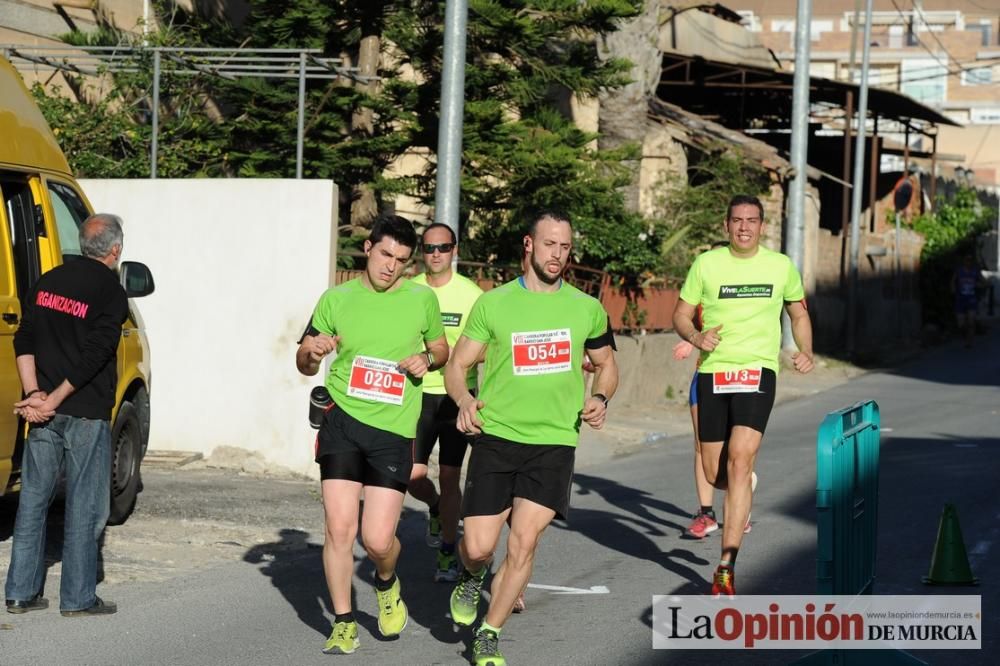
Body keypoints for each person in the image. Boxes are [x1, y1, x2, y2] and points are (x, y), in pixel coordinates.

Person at [444, 210, 618, 666]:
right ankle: (471, 574)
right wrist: (464, 400)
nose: (558, 255)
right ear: (528, 245)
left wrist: (601, 396)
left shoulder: (586, 308)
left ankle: (490, 633)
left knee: (524, 541)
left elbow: (607, 363)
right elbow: (457, 366)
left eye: (564, 247)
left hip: (555, 442)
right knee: (480, 545)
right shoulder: (493, 304)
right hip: (497, 436)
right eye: (549, 245)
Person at [296, 214, 448, 655]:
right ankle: (344, 622)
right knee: (339, 529)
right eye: (385, 255)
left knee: (378, 540)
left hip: (394, 430)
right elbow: (304, 361)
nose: (391, 267)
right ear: (368, 248)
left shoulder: (421, 301)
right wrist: (311, 352)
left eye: (401, 260)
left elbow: (441, 349)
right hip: (342, 421)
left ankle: (386, 580)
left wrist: (427, 359)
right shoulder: (336, 299)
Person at [671, 195, 814, 598]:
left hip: (756, 372)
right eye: (737, 221)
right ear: (726, 225)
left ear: (762, 226)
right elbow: (681, 314)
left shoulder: (780, 266)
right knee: (717, 472)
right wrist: (696, 336)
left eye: (752, 220)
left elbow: (798, 313)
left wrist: (806, 351)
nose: (744, 227)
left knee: (739, 459)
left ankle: (725, 566)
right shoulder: (707, 264)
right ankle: (742, 481)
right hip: (714, 372)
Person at [5, 213, 129, 617]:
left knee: (33, 501)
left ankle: (20, 593)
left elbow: (24, 339)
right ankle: (77, 598)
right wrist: (52, 398)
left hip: (42, 411)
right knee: (85, 505)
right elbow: (96, 355)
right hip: (83, 412)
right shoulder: (111, 291)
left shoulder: (48, 280)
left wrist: (34, 394)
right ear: (115, 250)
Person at [408, 222, 483, 582]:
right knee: (412, 475)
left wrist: (458, 355)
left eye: (442, 247)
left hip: (456, 396)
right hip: (416, 394)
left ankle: (449, 551)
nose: (435, 254)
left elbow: (489, 348)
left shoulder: (471, 295)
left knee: (451, 476)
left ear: (455, 250)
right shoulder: (409, 290)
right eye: (428, 248)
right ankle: (435, 507)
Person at [951, 253, 984, 348]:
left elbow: (984, 282)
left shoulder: (975, 271)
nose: (968, 262)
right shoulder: (959, 271)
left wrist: (979, 285)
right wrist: (952, 288)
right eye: (967, 260)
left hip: (971, 299)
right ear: (964, 262)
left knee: (971, 321)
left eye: (970, 261)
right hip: (960, 298)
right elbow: (953, 281)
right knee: (960, 324)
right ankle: (966, 334)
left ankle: (969, 342)